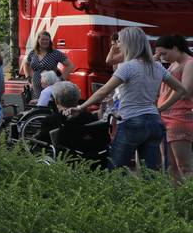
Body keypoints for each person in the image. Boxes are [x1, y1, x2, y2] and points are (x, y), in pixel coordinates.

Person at [69, 27, 189, 171]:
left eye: (119, 42)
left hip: (131, 120)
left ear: (129, 43)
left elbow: (103, 91)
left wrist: (80, 108)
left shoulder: (127, 67)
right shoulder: (157, 66)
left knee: (116, 169)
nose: (117, 45)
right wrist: (160, 109)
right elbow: (181, 89)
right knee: (150, 173)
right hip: (154, 121)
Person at [156, 34, 193, 182]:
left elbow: (186, 91)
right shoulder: (174, 63)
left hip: (179, 117)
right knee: (170, 165)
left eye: (164, 53)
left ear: (176, 48)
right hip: (165, 116)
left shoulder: (189, 63)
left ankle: (188, 200)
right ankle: (175, 200)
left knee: (184, 165)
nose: (163, 57)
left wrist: (162, 106)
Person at [20, 31, 75, 102]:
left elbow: (70, 65)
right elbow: (26, 64)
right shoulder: (33, 53)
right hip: (35, 85)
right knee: (37, 106)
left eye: (47, 40)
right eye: (42, 39)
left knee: (48, 104)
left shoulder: (55, 53)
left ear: (50, 41)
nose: (45, 41)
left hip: (50, 85)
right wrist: (28, 76)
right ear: (38, 40)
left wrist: (61, 78)